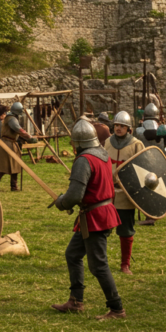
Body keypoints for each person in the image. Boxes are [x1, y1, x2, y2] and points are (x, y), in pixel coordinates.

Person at [51, 119, 125, 320]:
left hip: (96, 217)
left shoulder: (84, 159)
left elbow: (75, 195)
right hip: (97, 213)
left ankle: (116, 308)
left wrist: (62, 203)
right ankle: (76, 301)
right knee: (73, 254)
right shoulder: (102, 154)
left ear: (77, 142)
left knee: (98, 265)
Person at [103, 111, 144, 274]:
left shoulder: (136, 144)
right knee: (102, 230)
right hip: (107, 194)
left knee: (126, 230)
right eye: (116, 126)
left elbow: (143, 170)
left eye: (122, 126)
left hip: (127, 194)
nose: (118, 128)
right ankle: (101, 263)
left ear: (128, 128)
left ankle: (125, 264)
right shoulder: (107, 142)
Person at [0, 102, 34, 192]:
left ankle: (14, 186)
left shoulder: (11, 118)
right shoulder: (11, 119)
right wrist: (29, 137)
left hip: (12, 143)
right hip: (7, 144)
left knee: (16, 165)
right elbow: (18, 129)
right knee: (3, 166)